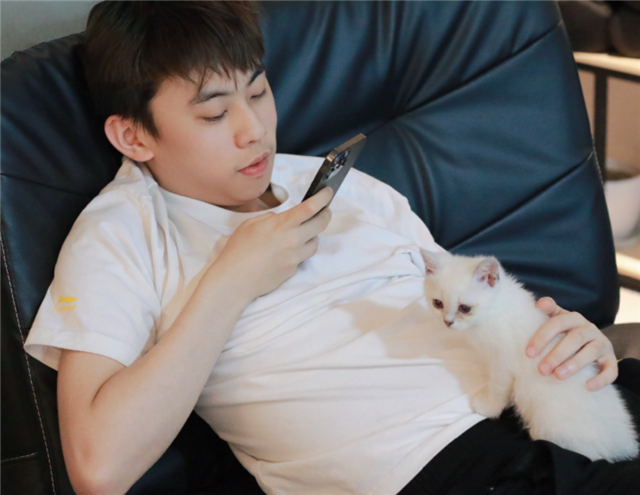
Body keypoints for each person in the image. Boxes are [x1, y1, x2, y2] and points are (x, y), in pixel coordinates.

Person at [23, 2, 638, 495]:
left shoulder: (341, 184)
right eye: (213, 115)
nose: (254, 130)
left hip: (537, 402)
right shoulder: (121, 234)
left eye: (258, 92)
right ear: (133, 136)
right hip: (440, 462)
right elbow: (99, 468)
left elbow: (467, 305)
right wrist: (231, 280)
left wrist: (563, 341)